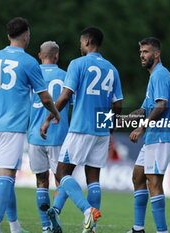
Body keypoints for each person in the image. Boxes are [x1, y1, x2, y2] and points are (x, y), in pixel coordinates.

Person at [0, 17, 60, 233]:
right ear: (26, 35)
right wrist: (56, 114)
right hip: (12, 127)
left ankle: (14, 226)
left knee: (7, 176)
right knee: (5, 176)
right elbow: (46, 98)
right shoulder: (29, 62)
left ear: (8, 35)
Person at [41, 26, 123, 233]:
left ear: (87, 42)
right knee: (93, 177)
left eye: (80, 42)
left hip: (80, 128)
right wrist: (110, 128)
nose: (80, 46)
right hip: (101, 130)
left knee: (62, 173)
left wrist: (49, 118)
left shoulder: (78, 64)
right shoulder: (112, 69)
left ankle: (88, 211)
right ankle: (88, 226)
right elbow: (118, 105)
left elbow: (66, 95)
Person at [126, 37, 170, 233]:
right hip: (153, 137)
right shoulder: (154, 76)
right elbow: (145, 108)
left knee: (154, 181)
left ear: (156, 54)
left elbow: (161, 105)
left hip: (161, 135)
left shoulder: (160, 75)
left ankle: (162, 231)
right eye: (140, 52)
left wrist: (141, 127)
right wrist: (121, 120)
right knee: (138, 177)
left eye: (146, 52)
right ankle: (138, 228)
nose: (142, 55)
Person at [27, 41, 70, 233]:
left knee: (41, 181)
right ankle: (55, 211)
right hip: (59, 136)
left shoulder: (31, 75)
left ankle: (46, 227)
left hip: (35, 135)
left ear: (39, 55)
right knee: (62, 180)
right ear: (57, 56)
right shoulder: (66, 76)